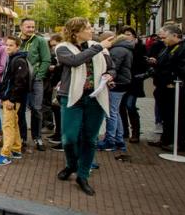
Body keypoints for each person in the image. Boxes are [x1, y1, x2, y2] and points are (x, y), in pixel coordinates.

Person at [55, 17, 115, 196]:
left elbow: (112, 68)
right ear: (76, 32)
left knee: (90, 138)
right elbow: (75, 61)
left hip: (95, 98)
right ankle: (71, 164)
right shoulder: (63, 48)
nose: (92, 31)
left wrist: (110, 75)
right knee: (69, 138)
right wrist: (99, 47)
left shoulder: (99, 47)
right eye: (88, 28)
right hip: (72, 97)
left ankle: (82, 174)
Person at [150, 23, 185, 153]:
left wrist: (165, 73)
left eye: (164, 37)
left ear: (175, 35)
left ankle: (179, 143)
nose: (162, 40)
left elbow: (183, 70)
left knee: (177, 114)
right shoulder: (167, 47)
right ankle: (166, 138)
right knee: (166, 114)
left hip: (177, 88)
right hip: (163, 88)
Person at [0, 35, 31, 165]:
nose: (7, 47)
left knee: (8, 125)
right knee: (13, 123)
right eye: (7, 45)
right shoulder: (12, 59)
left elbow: (19, 83)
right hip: (9, 97)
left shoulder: (18, 61)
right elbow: (7, 80)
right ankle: (16, 149)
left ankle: (5, 154)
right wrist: (3, 96)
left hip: (12, 99)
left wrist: (11, 99)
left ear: (17, 46)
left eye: (11, 45)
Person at [97, 32, 134, 153]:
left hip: (117, 83)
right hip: (124, 82)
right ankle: (118, 139)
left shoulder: (116, 50)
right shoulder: (125, 48)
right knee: (115, 111)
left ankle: (110, 141)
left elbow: (112, 68)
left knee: (111, 112)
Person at [18, 18, 51, 151]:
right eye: (28, 27)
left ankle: (37, 138)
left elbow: (46, 60)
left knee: (36, 109)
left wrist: (39, 75)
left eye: (33, 27)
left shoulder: (40, 41)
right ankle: (22, 137)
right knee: (20, 110)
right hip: (20, 81)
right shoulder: (17, 41)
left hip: (35, 80)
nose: (31, 29)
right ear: (21, 27)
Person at [118, 27, 147, 144]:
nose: (126, 36)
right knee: (121, 107)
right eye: (123, 34)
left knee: (130, 105)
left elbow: (143, 65)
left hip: (134, 82)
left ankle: (135, 132)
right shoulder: (119, 48)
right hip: (122, 82)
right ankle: (124, 131)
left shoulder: (140, 48)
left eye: (129, 34)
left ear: (134, 36)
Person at [45, 34, 64, 146]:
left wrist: (55, 68)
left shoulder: (63, 54)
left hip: (61, 86)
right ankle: (57, 133)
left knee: (60, 111)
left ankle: (61, 135)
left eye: (55, 45)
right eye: (51, 46)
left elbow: (64, 68)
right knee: (55, 109)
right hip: (56, 85)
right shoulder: (56, 55)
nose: (53, 48)